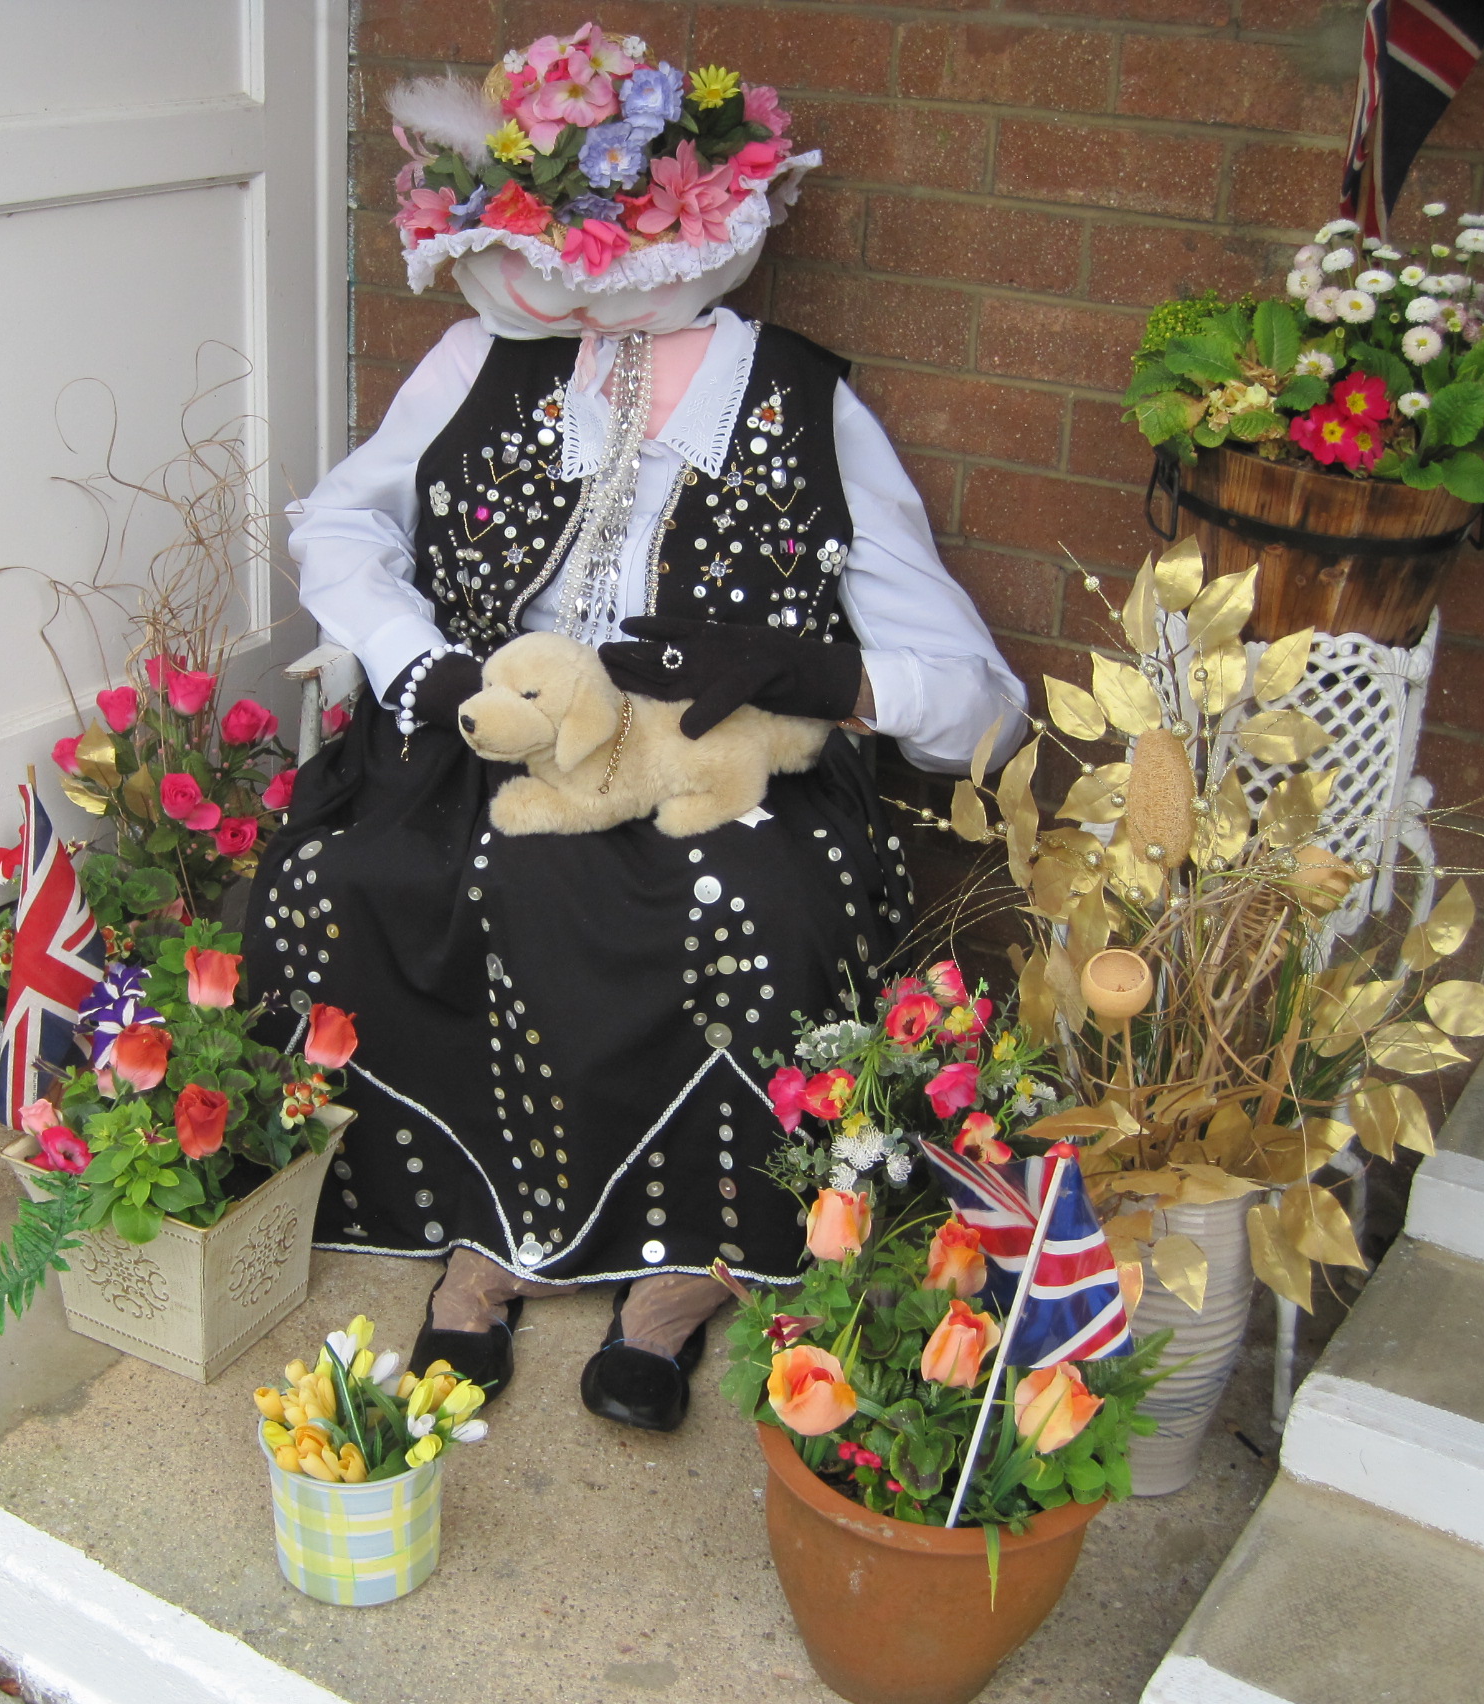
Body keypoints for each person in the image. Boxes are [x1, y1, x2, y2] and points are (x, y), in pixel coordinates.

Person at [243, 27, 1025, 1431]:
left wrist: (818, 675)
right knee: (373, 861)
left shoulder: (802, 397)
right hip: (499, 719)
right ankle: (483, 1234)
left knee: (752, 897)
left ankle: (687, 1266)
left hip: (716, 759)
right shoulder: (481, 357)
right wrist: (422, 663)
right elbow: (340, 525)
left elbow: (981, 702)